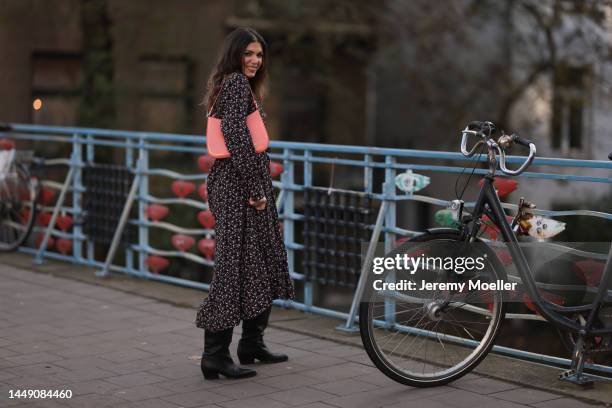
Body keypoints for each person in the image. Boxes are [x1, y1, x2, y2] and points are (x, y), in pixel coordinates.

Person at [195, 27, 295, 380]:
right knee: (234, 267)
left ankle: (252, 343)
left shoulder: (233, 85)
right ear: (235, 55)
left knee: (261, 260)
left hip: (241, 181)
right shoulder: (236, 84)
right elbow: (237, 138)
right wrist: (255, 190)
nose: (255, 60)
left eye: (259, 55)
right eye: (249, 53)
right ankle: (214, 354)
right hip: (239, 185)